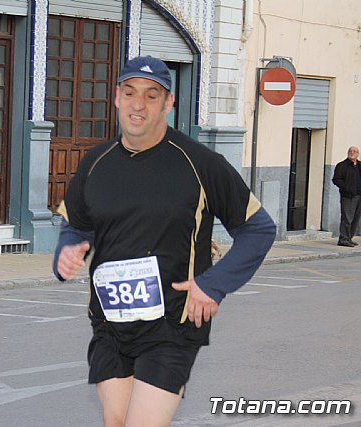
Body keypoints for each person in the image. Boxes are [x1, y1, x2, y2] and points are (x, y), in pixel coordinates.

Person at [52, 55, 276, 426]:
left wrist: (214, 285)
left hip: (173, 322)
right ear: (117, 97)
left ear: (169, 102)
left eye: (151, 95)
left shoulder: (201, 163)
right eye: (130, 92)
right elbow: (76, 225)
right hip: (109, 320)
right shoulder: (95, 162)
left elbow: (258, 229)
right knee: (116, 422)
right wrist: (66, 252)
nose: (138, 104)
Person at [332, 146, 361, 247]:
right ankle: (343, 239)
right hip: (348, 196)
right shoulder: (342, 165)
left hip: (359, 196)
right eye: (350, 151)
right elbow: (336, 179)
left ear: (358, 154)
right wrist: (346, 188)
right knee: (347, 218)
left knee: (356, 218)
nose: (352, 153)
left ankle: (349, 238)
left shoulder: (360, 165)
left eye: (354, 151)